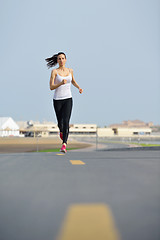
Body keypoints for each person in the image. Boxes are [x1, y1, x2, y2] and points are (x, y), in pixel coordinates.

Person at [45, 52, 83, 153]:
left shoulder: (70, 71)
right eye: (59, 59)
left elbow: (73, 81)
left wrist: (79, 87)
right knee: (60, 123)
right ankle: (61, 131)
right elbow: (51, 87)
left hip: (68, 99)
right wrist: (60, 83)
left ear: (66, 60)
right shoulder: (54, 72)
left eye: (63, 58)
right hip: (57, 100)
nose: (61, 60)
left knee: (66, 121)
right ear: (57, 61)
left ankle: (64, 144)